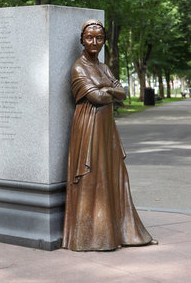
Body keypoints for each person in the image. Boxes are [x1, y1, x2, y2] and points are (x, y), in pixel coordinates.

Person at [62, 19, 157, 251]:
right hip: (88, 127)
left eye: (99, 38)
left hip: (107, 129)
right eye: (89, 38)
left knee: (116, 175)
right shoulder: (79, 68)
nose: (95, 42)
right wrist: (109, 90)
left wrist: (108, 90)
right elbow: (97, 98)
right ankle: (90, 237)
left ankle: (120, 231)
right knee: (92, 176)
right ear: (82, 40)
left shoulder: (104, 67)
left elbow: (122, 94)